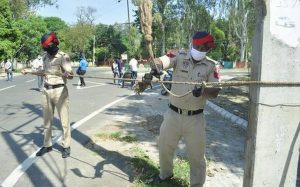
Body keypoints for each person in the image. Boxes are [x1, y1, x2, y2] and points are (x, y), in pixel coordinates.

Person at [149, 31, 221, 187]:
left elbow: (215, 92)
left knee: (197, 157)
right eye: (197, 46)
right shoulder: (179, 55)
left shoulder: (212, 65)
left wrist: (203, 91)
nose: (200, 49)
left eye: (204, 47)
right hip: (172, 115)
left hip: (195, 120)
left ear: (208, 49)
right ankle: (165, 174)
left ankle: (196, 184)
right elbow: (160, 61)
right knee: (164, 147)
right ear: (193, 44)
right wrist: (156, 66)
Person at [22, 32, 73, 158]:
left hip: (60, 91)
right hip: (46, 90)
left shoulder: (63, 56)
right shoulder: (45, 56)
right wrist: (29, 71)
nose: (47, 51)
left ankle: (66, 146)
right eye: (45, 49)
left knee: (64, 121)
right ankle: (47, 145)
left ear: (54, 45)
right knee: (47, 121)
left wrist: (68, 74)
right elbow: (44, 72)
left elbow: (70, 74)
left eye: (48, 48)